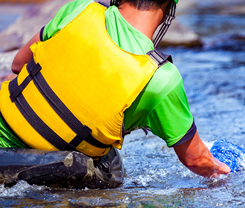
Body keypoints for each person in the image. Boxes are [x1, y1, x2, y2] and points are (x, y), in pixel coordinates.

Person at [0, 0, 230, 187]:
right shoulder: (160, 78)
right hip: (46, 175)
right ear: (171, 6)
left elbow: (19, 64)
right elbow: (198, 160)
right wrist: (230, 171)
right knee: (111, 164)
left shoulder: (79, 9)